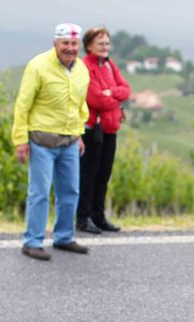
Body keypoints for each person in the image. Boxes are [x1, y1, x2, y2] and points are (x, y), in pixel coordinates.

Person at [12, 23, 90, 261]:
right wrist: (20, 141)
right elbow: (22, 105)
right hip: (41, 142)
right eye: (65, 43)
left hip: (69, 142)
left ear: (79, 46)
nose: (70, 48)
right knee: (40, 193)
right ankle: (32, 242)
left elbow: (79, 105)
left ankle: (64, 237)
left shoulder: (81, 70)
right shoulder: (37, 66)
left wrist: (78, 135)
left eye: (74, 44)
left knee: (70, 191)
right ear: (55, 43)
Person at [76, 26, 131, 234]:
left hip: (109, 128)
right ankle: (83, 217)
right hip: (93, 129)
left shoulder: (109, 65)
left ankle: (98, 216)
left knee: (104, 174)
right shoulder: (84, 67)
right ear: (89, 45)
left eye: (107, 43)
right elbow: (95, 98)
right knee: (89, 174)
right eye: (100, 43)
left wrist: (112, 93)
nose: (105, 47)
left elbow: (126, 90)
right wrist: (114, 100)